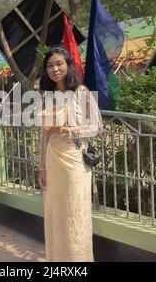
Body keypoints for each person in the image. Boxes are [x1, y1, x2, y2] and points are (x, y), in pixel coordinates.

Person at [38, 46, 103, 262]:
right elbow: (44, 135)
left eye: (59, 64)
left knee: (75, 213)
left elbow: (97, 127)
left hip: (75, 159)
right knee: (55, 212)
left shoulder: (81, 92)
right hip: (52, 158)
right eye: (50, 65)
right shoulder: (47, 96)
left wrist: (70, 130)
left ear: (68, 65)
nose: (55, 69)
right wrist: (41, 166)